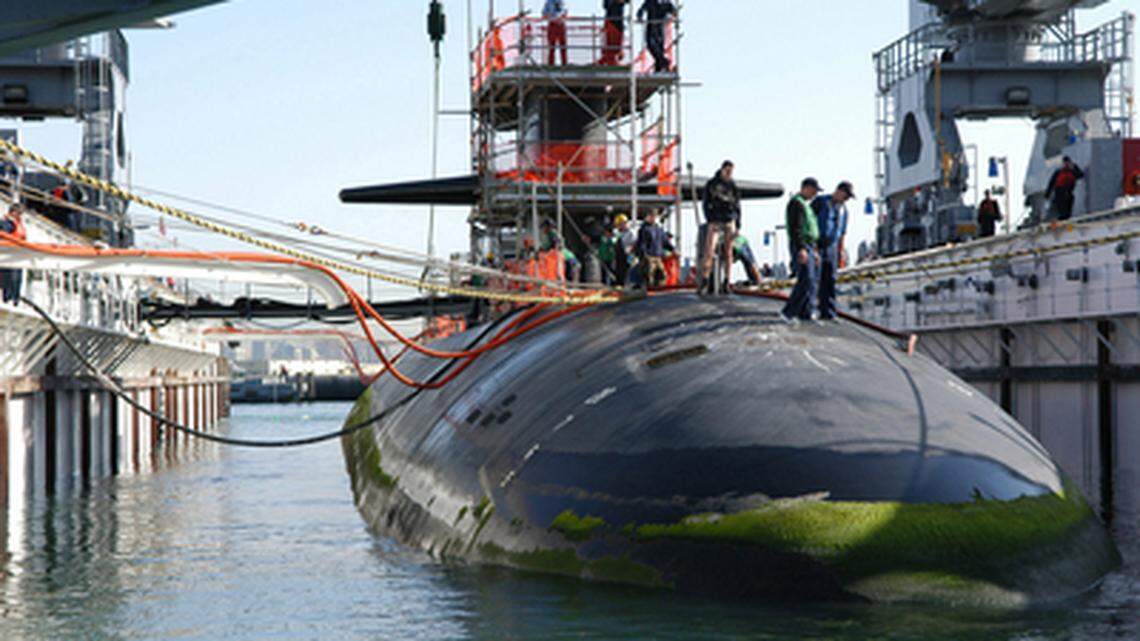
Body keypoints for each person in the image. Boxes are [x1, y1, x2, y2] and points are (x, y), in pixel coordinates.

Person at [781, 178, 822, 322]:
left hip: (809, 245)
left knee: (811, 281)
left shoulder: (805, 204)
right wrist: (801, 249)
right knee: (805, 279)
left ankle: (805, 312)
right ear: (806, 188)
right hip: (802, 245)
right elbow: (796, 228)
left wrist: (815, 250)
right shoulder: (796, 204)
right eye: (814, 191)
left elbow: (811, 229)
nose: (815, 194)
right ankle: (788, 312)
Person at [813, 181, 853, 321]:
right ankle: (811, 309)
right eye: (846, 196)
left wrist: (840, 251)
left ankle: (828, 311)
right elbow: (809, 222)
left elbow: (842, 233)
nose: (846, 199)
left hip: (832, 247)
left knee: (830, 280)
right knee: (815, 279)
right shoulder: (821, 202)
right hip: (818, 244)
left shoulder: (844, 211)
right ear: (839, 191)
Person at [700, 160, 741, 293]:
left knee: (728, 252)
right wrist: (710, 219)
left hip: (729, 219)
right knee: (709, 250)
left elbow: (738, 205)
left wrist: (738, 224)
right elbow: (706, 203)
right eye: (727, 171)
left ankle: (727, 282)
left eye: (731, 172)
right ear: (722, 169)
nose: (729, 174)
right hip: (716, 220)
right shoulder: (712, 184)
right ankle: (705, 280)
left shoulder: (733, 185)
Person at [636, 0, 675, 72]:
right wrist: (639, 16)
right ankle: (662, 65)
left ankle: (662, 65)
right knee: (653, 47)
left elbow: (673, 11)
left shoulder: (665, 3)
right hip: (653, 27)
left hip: (658, 28)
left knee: (657, 48)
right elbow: (641, 10)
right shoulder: (651, 2)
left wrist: (671, 15)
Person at [1045, 156, 1085, 221]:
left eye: (1068, 163)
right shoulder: (1059, 172)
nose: (1066, 164)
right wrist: (1047, 194)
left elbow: (1080, 175)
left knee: (1069, 202)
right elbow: (1051, 182)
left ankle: (1066, 218)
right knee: (1062, 207)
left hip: (1068, 192)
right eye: (1065, 163)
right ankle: (1063, 218)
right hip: (1060, 192)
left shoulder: (1073, 171)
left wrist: (1074, 167)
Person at [636, 210, 668, 288]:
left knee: (662, 275)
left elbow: (665, 241)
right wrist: (644, 254)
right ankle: (649, 290)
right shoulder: (644, 229)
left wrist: (673, 249)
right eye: (651, 216)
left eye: (654, 216)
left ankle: (660, 290)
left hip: (658, 256)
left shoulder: (658, 229)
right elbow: (642, 243)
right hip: (649, 256)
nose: (653, 218)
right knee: (650, 275)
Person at [1, 206, 26, 305]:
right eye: (18, 213)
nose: (20, 216)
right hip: (10, 255)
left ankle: (15, 298)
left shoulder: (17, 224)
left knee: (16, 279)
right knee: (10, 278)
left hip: (18, 255)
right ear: (12, 213)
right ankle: (8, 298)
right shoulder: (6, 223)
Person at [599, 0, 628, 65]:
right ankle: (608, 61)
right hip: (611, 21)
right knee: (611, 46)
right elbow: (605, 5)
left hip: (618, 22)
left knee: (616, 45)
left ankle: (607, 60)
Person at [543, 0, 568, 66]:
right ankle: (551, 64)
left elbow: (565, 12)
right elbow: (544, 14)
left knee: (563, 46)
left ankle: (564, 64)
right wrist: (551, 17)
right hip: (552, 25)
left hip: (560, 25)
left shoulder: (561, 2)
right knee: (551, 46)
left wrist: (561, 17)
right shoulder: (548, 2)